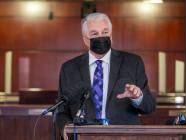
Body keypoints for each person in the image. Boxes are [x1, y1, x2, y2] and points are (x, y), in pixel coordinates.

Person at [54, 12, 156, 140]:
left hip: (124, 136)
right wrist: (65, 126)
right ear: (85, 39)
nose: (101, 37)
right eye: (94, 34)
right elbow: (61, 110)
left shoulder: (132, 62)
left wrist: (138, 97)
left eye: (105, 32)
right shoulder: (69, 68)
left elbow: (149, 106)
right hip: (83, 136)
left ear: (111, 36)